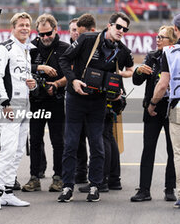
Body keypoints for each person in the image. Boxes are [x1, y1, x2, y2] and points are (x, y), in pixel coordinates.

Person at [58, 12, 133, 203]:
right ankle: (67, 186)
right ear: (109, 25)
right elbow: (64, 60)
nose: (121, 31)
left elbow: (131, 69)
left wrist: (121, 82)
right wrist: (73, 81)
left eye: (125, 29)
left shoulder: (122, 50)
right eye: (118, 27)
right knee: (71, 143)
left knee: (97, 144)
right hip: (76, 97)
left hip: (99, 101)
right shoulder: (87, 38)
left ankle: (95, 186)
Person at [0, 12, 36, 210]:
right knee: (8, 150)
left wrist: (32, 85)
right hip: (9, 106)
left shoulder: (27, 50)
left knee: (18, 151)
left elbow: (23, 79)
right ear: (13, 27)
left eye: (27, 25)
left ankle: (8, 192)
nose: (25, 28)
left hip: (25, 105)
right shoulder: (3, 48)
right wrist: (4, 103)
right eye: (21, 25)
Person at [21, 13, 69, 193]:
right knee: (35, 140)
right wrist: (39, 68)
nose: (45, 37)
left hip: (56, 100)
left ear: (56, 30)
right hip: (35, 101)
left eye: (48, 33)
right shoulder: (30, 47)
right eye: (41, 34)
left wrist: (56, 84)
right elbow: (21, 67)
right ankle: (34, 177)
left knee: (58, 141)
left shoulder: (65, 48)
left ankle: (59, 177)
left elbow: (71, 74)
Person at [130, 25, 177, 202]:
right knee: (148, 149)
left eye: (161, 37)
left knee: (172, 150)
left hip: (171, 107)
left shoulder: (176, 57)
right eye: (157, 36)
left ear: (171, 41)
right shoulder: (152, 56)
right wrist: (138, 70)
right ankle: (144, 190)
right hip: (153, 107)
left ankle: (170, 188)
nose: (157, 40)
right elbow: (137, 81)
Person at [148, 13, 180, 208]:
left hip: (177, 105)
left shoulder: (170, 52)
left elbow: (163, 84)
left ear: (175, 30)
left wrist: (152, 104)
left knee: (178, 152)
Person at [74, 13, 96, 184]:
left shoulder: (101, 45)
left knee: (98, 140)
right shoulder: (71, 47)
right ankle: (80, 173)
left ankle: (102, 179)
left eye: (79, 32)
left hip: (97, 100)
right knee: (77, 140)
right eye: (74, 31)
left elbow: (125, 68)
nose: (76, 35)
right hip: (76, 98)